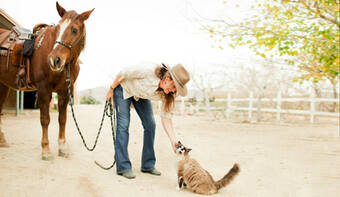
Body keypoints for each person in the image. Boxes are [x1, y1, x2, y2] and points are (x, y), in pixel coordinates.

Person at [106, 63, 190, 179]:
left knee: (150, 124)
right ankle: (123, 166)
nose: (173, 90)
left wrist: (173, 141)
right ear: (167, 79)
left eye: (177, 89)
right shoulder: (147, 71)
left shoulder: (170, 94)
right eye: (174, 86)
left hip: (140, 95)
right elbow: (123, 72)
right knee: (123, 125)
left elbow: (166, 118)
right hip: (124, 89)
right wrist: (111, 89)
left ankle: (148, 165)